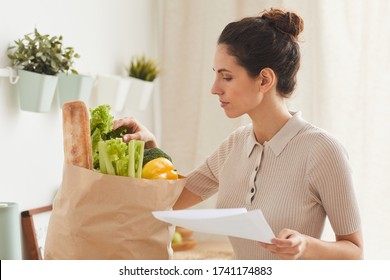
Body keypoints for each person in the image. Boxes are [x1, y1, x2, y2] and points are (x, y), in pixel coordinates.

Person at [114, 8, 363, 260]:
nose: (214, 89)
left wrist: (305, 245)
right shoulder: (235, 145)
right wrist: (150, 150)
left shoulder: (322, 150)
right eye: (216, 76)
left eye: (227, 77)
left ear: (264, 80)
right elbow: (172, 201)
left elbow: (354, 252)